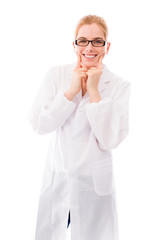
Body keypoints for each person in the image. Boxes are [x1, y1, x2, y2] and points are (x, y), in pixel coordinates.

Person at [28, 15, 131, 240]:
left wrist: (94, 92)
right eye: (83, 41)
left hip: (93, 188)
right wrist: (70, 92)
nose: (89, 47)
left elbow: (111, 140)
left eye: (97, 41)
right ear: (74, 45)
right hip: (58, 181)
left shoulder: (119, 86)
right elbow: (39, 124)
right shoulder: (56, 75)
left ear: (107, 47)